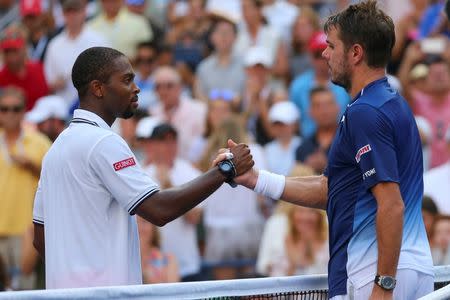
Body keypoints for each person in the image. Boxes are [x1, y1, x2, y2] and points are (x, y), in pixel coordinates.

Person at [215, 1, 434, 299]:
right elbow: (332, 190)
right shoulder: (390, 104)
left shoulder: (364, 113)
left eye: (331, 46)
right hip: (402, 267)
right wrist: (256, 179)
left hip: (378, 271)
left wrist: (383, 285)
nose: (324, 53)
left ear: (356, 53)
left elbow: (392, 205)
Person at [32, 46, 254, 289]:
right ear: (98, 88)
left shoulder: (54, 151)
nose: (136, 88)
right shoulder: (104, 142)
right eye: (127, 80)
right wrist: (225, 170)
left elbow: (40, 240)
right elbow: (158, 210)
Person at [0, 87, 51, 290]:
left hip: (26, 233)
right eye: (4, 109)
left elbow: (55, 182)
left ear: (23, 111)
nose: (10, 114)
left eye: (16, 108)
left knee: (26, 291)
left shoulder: (39, 143)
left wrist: (32, 166)